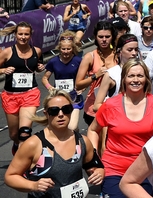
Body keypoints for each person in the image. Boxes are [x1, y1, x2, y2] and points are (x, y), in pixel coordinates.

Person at [88, 59, 153, 198]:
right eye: (131, 76)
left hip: (145, 170)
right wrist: (94, 160)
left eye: (140, 76)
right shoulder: (110, 105)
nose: (135, 80)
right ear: (124, 79)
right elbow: (92, 130)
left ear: (146, 78)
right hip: (114, 169)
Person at [4, 90, 104, 198]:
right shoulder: (34, 144)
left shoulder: (82, 141)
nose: (60, 114)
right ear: (46, 114)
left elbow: (94, 166)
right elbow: (10, 176)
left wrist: (99, 172)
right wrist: (34, 185)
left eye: (66, 109)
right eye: (54, 111)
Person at [0, 22, 45, 152]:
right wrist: (3, 70)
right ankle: (16, 145)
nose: (23, 37)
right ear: (15, 35)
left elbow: (38, 64)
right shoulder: (7, 52)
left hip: (30, 94)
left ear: (30, 36)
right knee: (14, 135)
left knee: (24, 132)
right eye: (20, 34)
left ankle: (23, 167)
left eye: (26, 34)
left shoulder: (37, 50)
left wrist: (39, 67)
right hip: (10, 96)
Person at [42, 31, 84, 131]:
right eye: (63, 49)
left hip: (74, 98)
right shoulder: (53, 61)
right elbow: (44, 78)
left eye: (68, 49)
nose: (66, 51)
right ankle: (76, 138)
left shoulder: (78, 61)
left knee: (71, 127)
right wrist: (50, 88)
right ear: (59, 49)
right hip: (59, 99)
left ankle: (75, 135)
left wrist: (82, 87)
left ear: (73, 48)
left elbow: (85, 77)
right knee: (62, 127)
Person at [91, 34, 141, 113]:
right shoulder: (111, 74)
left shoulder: (143, 71)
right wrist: (120, 109)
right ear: (119, 51)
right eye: (130, 50)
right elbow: (96, 106)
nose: (134, 53)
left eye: (136, 49)